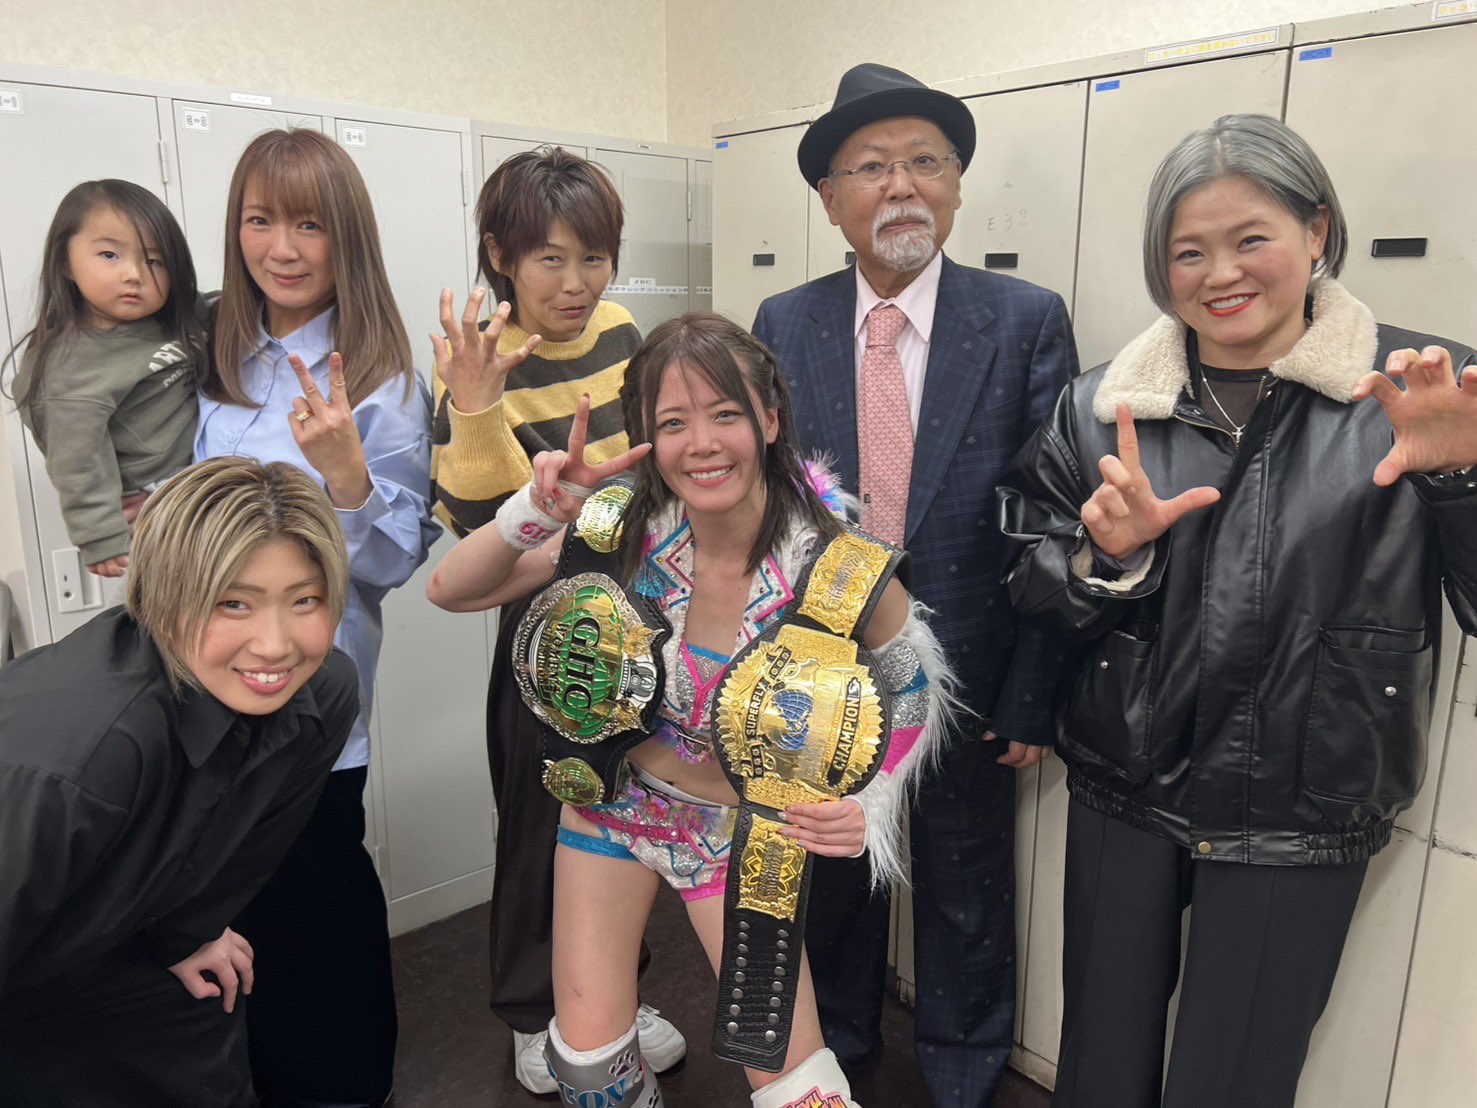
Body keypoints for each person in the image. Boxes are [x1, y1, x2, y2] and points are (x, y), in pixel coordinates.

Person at [996, 113, 1477, 1107]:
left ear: (1316, 229)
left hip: (1304, 799)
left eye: (1249, 237)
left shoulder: (1413, 390)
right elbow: (1027, 582)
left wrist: (1457, 481)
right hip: (1127, 785)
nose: (1220, 274)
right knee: (1099, 1068)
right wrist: (1105, 556)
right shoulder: (1103, 407)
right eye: (1187, 251)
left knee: (1237, 1080)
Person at [428, 312, 957, 1107]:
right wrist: (536, 509)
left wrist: (867, 800)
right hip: (610, 810)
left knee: (798, 1090)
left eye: (724, 413)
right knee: (587, 1065)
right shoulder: (617, 527)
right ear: (646, 434)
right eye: (672, 422)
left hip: (740, 838)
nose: (701, 444)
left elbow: (913, 682)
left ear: (769, 420)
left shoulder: (834, 563)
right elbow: (452, 590)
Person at [751, 62, 1078, 1103]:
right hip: (820, 678)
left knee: (964, 889)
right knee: (831, 889)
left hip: (971, 675)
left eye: (924, 162)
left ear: (956, 185)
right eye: (871, 166)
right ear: (829, 199)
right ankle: (839, 1061)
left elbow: (1055, 519)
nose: (900, 186)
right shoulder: (784, 321)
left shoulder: (1023, 319)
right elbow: (765, 506)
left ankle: (963, 1077)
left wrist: (1035, 690)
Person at [427, 145, 684, 1094]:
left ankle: (610, 994)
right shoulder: (477, 360)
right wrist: (476, 407)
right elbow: (476, 528)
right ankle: (532, 1013)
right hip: (544, 624)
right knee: (541, 824)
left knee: (623, 815)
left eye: (593, 258)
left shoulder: (619, 332)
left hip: (637, 614)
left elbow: (649, 464)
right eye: (549, 259)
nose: (576, 284)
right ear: (501, 256)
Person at [0, 457, 358, 1108]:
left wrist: (189, 931)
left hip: (128, 942)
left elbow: (245, 851)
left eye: (304, 600)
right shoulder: (76, 761)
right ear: (163, 602)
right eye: (233, 604)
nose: (275, 645)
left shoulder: (323, 691)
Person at [200, 128, 437, 1107]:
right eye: (261, 221)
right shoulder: (217, 361)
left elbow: (390, 564)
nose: (282, 249)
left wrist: (346, 477)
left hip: (311, 701)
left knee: (319, 906)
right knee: (230, 910)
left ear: (347, 237)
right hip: (207, 697)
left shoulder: (381, 379)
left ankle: (347, 1088)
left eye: (308, 225)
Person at [6, 178, 208, 578]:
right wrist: (100, 536)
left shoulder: (166, 321)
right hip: (152, 505)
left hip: (194, 483)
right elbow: (78, 461)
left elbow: (215, 309)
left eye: (154, 261)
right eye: (110, 255)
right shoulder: (72, 369)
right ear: (65, 262)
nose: (134, 274)